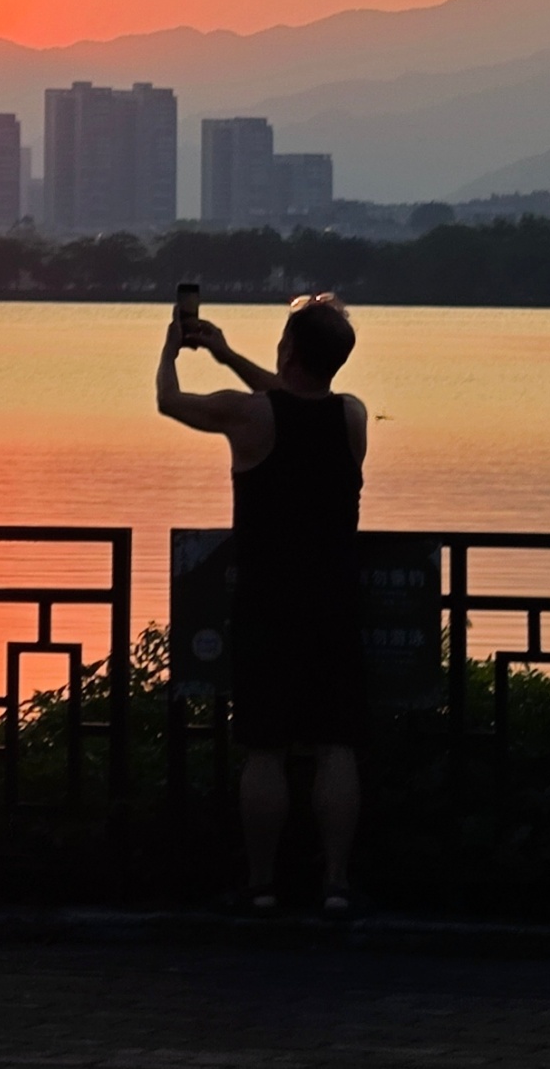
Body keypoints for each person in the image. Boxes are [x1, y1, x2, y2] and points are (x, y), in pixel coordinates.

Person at [156, 291, 368, 914]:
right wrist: (225, 354)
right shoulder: (352, 416)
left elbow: (170, 401)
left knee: (265, 747)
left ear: (291, 350)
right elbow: (290, 394)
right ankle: (335, 883)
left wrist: (175, 350)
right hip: (334, 601)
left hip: (266, 604)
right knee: (336, 744)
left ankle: (262, 884)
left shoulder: (250, 418)